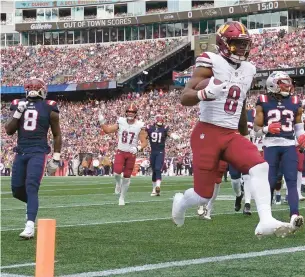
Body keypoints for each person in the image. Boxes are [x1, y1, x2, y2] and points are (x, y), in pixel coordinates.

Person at [172, 21, 294, 238]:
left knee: (260, 166)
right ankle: (180, 202)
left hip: (230, 134)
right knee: (203, 195)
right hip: (207, 132)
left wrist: (245, 136)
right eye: (236, 44)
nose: (241, 49)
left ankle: (266, 220)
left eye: (244, 44)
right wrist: (205, 94)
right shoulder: (210, 61)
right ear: (224, 43)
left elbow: (240, 103)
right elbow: (185, 97)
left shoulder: (249, 69)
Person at [4, 78, 62, 239]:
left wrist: (56, 157)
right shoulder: (18, 104)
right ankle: (32, 205)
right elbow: (9, 130)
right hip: (21, 151)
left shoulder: (49, 107)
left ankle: (30, 224)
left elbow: (57, 134)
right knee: (16, 190)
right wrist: (18, 113)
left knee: (31, 186)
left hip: (38, 151)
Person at [254, 71, 304, 230]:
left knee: (291, 179)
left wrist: (302, 137)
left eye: (287, 82)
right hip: (270, 144)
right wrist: (267, 128)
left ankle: (294, 215)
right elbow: (256, 129)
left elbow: (298, 127)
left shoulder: (296, 101)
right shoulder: (263, 100)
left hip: (289, 144)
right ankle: (266, 216)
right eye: (283, 82)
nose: (287, 85)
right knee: (270, 180)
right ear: (273, 84)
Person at [99, 103, 148, 205]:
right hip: (121, 151)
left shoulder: (140, 125)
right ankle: (118, 183)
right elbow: (107, 130)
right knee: (116, 173)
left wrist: (138, 148)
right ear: (126, 113)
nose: (130, 114)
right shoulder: (121, 121)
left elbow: (144, 142)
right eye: (129, 112)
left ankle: (122, 198)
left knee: (126, 177)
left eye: (132, 112)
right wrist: (102, 122)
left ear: (135, 114)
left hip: (131, 153)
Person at [146, 114, 180, 196]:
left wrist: (173, 135)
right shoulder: (150, 128)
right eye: (159, 120)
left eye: (161, 120)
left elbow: (168, 133)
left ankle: (158, 186)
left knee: (158, 169)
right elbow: (144, 134)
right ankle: (154, 190)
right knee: (154, 170)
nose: (160, 122)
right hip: (153, 152)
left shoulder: (164, 128)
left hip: (160, 151)